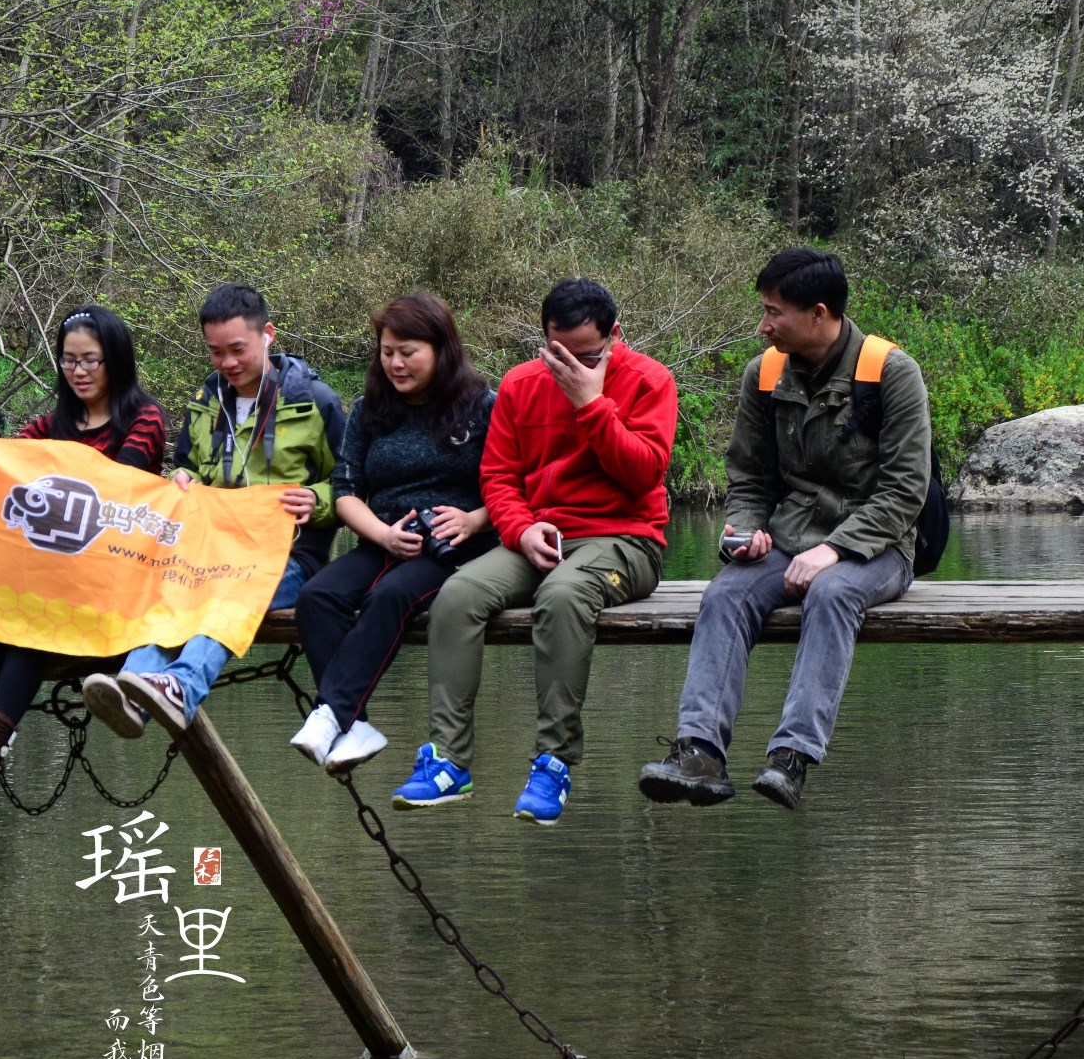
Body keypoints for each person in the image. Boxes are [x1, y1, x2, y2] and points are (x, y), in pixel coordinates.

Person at [639, 248, 929, 810]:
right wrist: (744, 532)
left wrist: (835, 550)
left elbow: (904, 492)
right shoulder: (764, 373)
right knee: (724, 594)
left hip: (880, 546)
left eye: (774, 312)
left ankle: (791, 758)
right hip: (789, 539)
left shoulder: (890, 372)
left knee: (834, 591)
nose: (763, 325)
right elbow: (748, 477)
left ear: (818, 313)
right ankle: (699, 753)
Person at [399, 278, 678, 822]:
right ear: (544, 338)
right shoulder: (521, 384)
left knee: (564, 594)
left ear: (614, 335)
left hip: (628, 539)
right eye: (558, 354)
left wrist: (592, 404)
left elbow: (645, 472)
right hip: (539, 536)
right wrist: (522, 529)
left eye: (587, 355)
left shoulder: (650, 381)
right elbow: (499, 478)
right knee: (457, 595)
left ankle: (554, 761)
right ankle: (448, 761)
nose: (570, 366)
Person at [0, 305, 168, 783]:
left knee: (33, 615)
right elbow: (12, 463)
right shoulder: (53, 422)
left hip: (115, 581)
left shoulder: (144, 418)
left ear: (115, 359)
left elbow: (116, 485)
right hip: (56, 574)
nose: (79, 372)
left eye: (91, 360)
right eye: (69, 361)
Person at [82, 283, 345, 739]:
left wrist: (319, 499)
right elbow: (186, 464)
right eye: (216, 352)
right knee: (169, 588)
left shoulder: (315, 401)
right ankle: (133, 694)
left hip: (288, 557)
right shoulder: (206, 400)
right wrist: (183, 480)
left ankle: (182, 687)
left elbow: (352, 485)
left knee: (226, 594)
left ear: (268, 335)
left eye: (237, 349)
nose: (227, 363)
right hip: (209, 550)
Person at [285, 294, 495, 773]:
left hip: (456, 550)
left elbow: (513, 485)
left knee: (390, 596)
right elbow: (345, 491)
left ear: (441, 348)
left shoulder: (482, 406)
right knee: (318, 597)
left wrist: (473, 520)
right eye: (387, 351)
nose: (396, 363)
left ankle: (333, 715)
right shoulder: (370, 409)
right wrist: (382, 535)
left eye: (408, 351)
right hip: (385, 538)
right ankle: (353, 723)